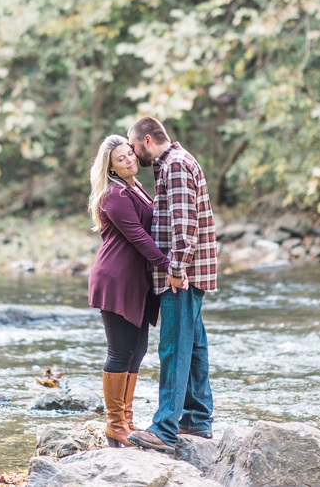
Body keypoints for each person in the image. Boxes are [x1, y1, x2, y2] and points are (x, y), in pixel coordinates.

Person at [125, 117, 218, 453]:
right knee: (193, 347)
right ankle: (196, 418)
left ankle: (165, 429)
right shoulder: (176, 162)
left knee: (174, 349)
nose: (134, 155)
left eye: (133, 147)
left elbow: (185, 225)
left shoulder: (176, 166)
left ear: (147, 140)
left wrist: (175, 269)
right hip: (192, 272)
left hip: (182, 275)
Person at [87, 134, 174, 447]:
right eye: (120, 159)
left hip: (137, 280)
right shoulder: (114, 195)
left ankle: (127, 421)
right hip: (116, 279)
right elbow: (138, 237)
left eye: (129, 154)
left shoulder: (134, 186)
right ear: (110, 168)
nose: (129, 160)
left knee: (137, 351)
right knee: (120, 351)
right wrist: (170, 267)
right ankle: (115, 425)